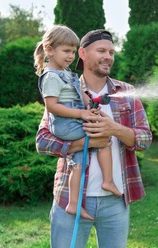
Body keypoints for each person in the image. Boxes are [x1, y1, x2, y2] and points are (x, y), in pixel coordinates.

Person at [35, 28, 152, 248]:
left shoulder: (126, 92)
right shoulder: (65, 88)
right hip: (71, 198)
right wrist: (82, 144)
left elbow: (145, 139)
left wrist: (114, 129)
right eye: (101, 50)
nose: (108, 56)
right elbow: (43, 141)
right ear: (82, 53)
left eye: (111, 51)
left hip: (115, 201)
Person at [34, 25, 122, 222]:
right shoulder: (50, 76)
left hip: (73, 119)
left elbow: (79, 93)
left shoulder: (66, 74)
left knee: (77, 164)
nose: (70, 56)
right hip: (65, 125)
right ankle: (108, 181)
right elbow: (52, 107)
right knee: (102, 137)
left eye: (73, 52)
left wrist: (88, 105)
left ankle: (73, 204)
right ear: (49, 50)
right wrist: (82, 113)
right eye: (66, 51)